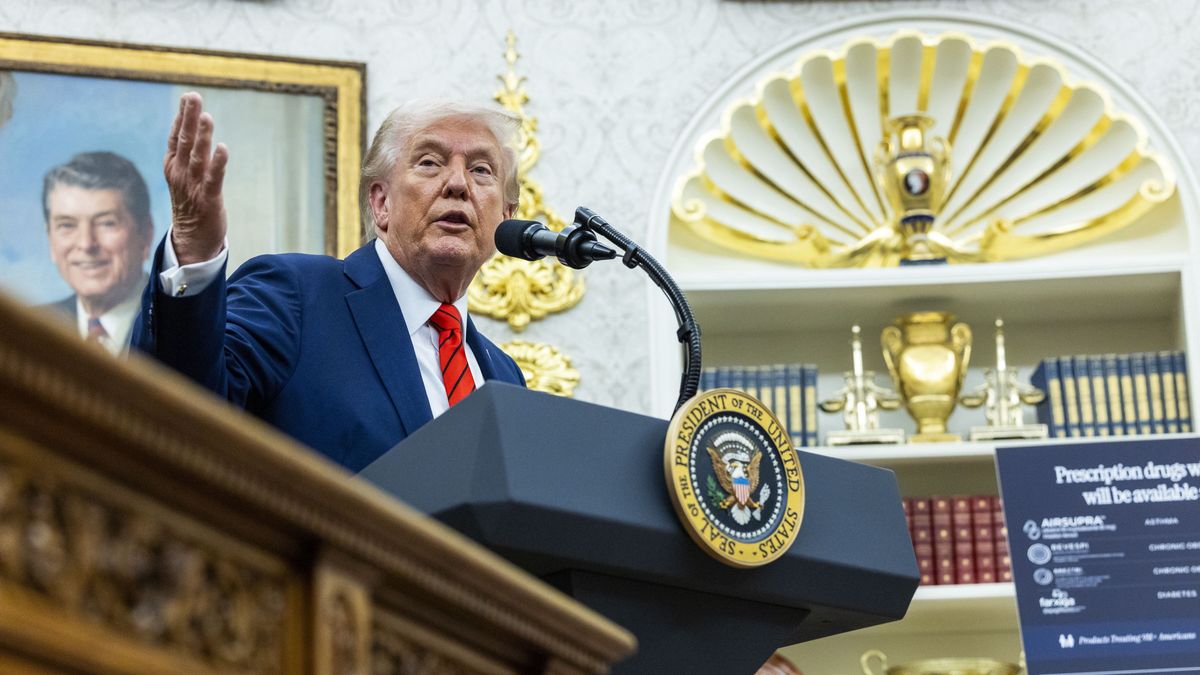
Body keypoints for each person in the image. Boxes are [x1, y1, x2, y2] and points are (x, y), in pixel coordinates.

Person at [133, 92, 525, 472]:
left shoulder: (504, 374)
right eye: (429, 163)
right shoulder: (296, 295)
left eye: (480, 170)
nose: (458, 183)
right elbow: (183, 400)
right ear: (381, 203)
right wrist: (192, 252)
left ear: (506, 217)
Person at [42, 151, 154, 355]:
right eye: (67, 225)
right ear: (50, 238)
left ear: (145, 234)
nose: (86, 244)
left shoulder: (178, 327)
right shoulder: (30, 331)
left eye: (106, 223)